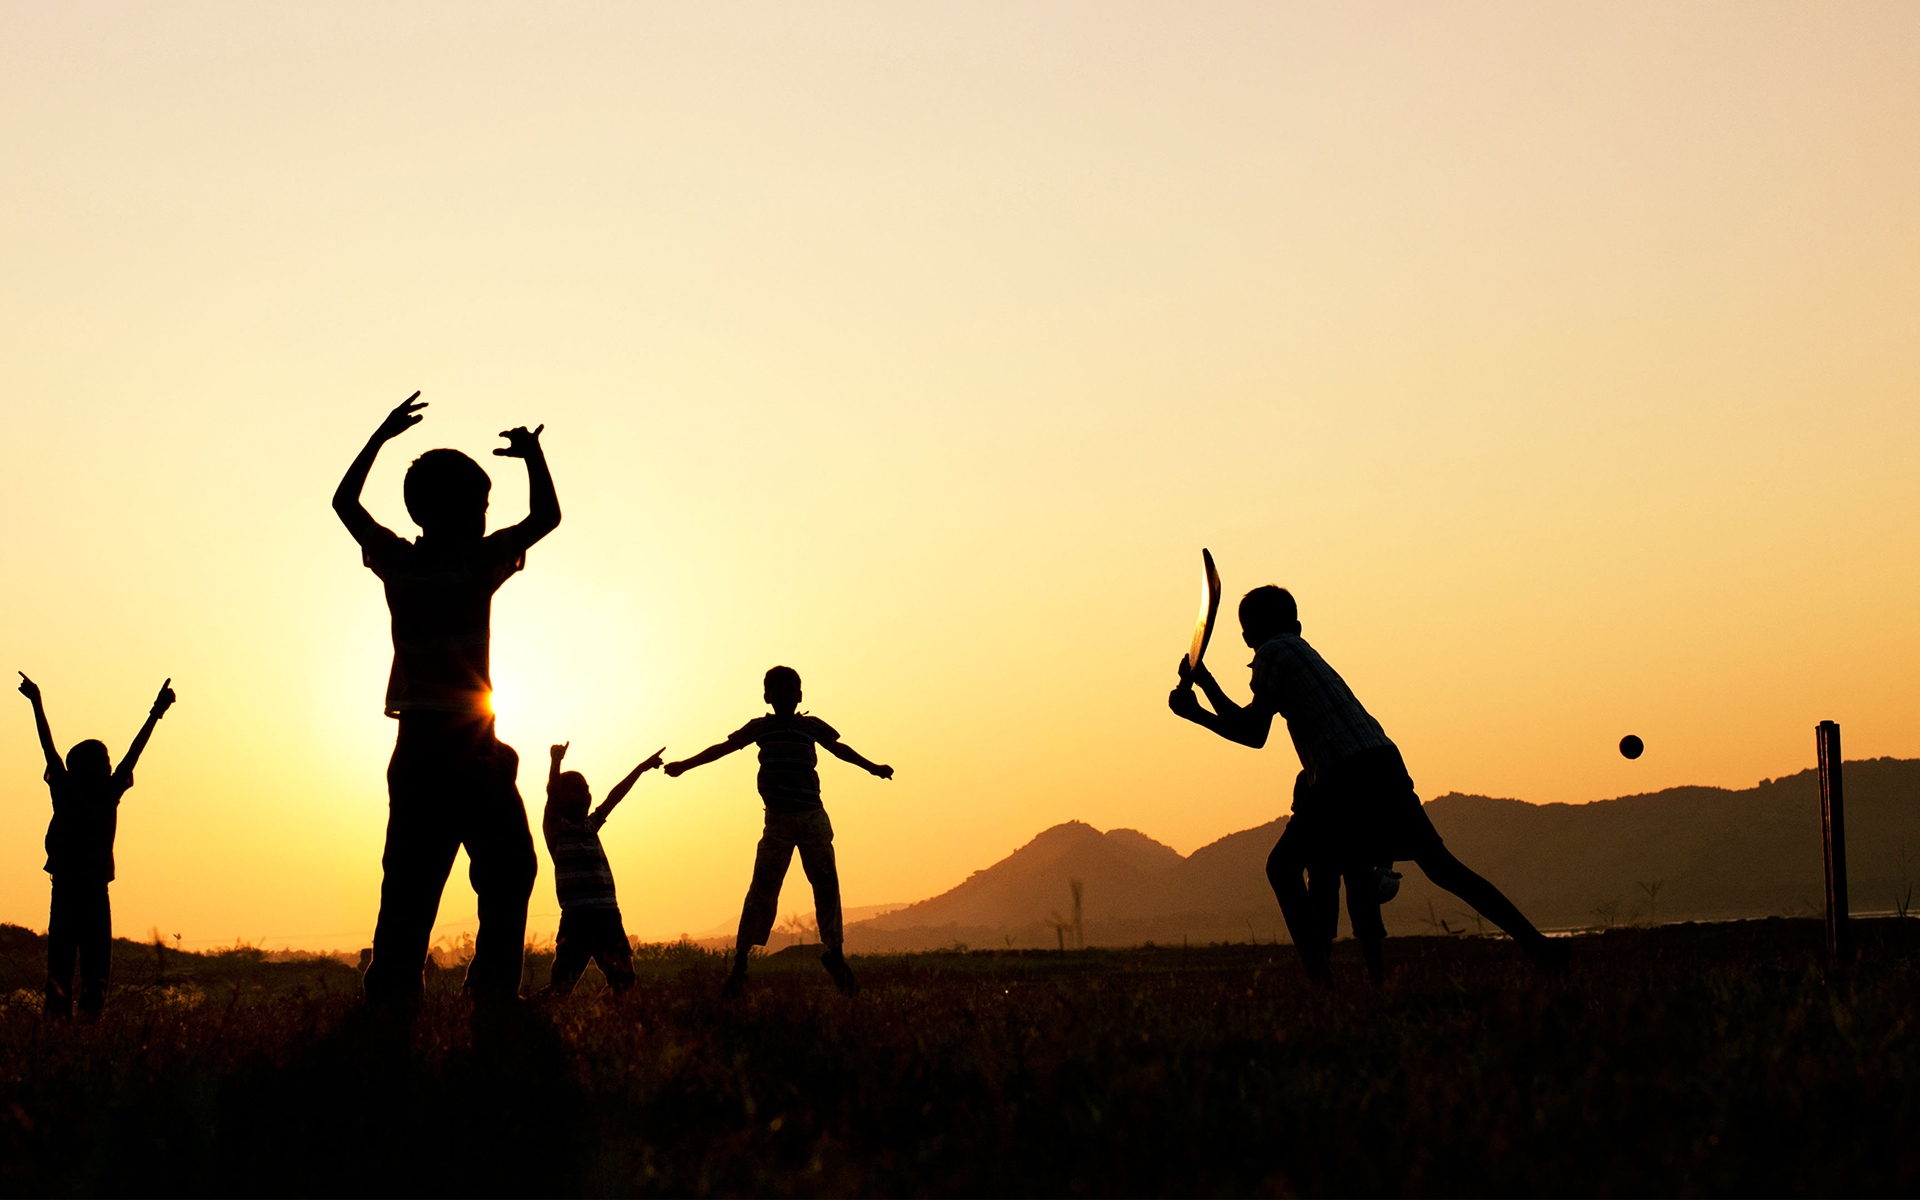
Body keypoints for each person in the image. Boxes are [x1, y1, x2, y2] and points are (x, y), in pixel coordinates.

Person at [1169, 585, 1564, 983]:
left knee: (1282, 867)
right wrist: (1204, 684)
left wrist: (1196, 713)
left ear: (1247, 637)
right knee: (1444, 868)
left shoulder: (1272, 652)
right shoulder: (1299, 651)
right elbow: (1252, 723)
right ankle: (1537, 945)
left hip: (1345, 772)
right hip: (1381, 760)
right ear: (1297, 625)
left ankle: (1322, 986)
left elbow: (1253, 732)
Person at [332, 391, 559, 1007]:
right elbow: (546, 519)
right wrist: (534, 457)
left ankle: (393, 992)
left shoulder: (398, 562)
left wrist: (379, 437)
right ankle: (490, 994)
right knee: (509, 871)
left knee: (410, 882)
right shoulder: (478, 562)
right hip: (471, 748)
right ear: (460, 513)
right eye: (482, 506)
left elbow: (343, 503)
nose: (488, 517)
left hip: (419, 750)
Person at [665, 666, 891, 998]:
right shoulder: (760, 728)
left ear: (800, 695)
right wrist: (685, 765)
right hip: (778, 822)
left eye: (791, 691)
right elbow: (722, 749)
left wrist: (873, 767)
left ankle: (836, 956)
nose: (785, 697)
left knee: (827, 887)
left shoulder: (811, 726)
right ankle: (740, 964)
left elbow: (840, 750)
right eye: (778, 691)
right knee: (762, 890)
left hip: (813, 819)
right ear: (767, 697)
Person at [17, 672, 176, 1017]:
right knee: (88, 975)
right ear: (87, 767)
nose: (109, 764)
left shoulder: (75, 790)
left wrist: (36, 702)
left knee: (73, 973)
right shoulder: (99, 793)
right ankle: (75, 1035)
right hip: (83, 894)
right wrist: (155, 713)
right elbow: (130, 753)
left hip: (74, 893)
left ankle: (67, 1036)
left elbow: (51, 749)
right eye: (103, 760)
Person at [540, 741, 663, 997]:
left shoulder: (590, 825)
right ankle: (520, 1017)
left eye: (586, 789)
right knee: (561, 988)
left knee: (624, 981)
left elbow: (615, 795)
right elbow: (552, 793)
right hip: (576, 920)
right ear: (561, 797)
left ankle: (602, 1023)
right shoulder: (556, 828)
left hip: (608, 917)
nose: (585, 795)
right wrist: (555, 762)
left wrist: (641, 769)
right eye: (576, 790)